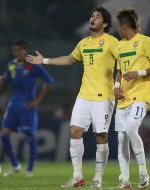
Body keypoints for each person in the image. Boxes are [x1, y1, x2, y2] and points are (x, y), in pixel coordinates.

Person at [26, 7, 118, 188]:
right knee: (75, 131)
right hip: (84, 95)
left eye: (97, 17)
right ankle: (77, 176)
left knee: (101, 136)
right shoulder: (83, 43)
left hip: (104, 96)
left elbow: (123, 63)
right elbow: (69, 60)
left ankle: (97, 179)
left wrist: (118, 85)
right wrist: (44, 61)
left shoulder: (112, 42)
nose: (92, 19)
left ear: (105, 23)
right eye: (92, 16)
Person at [113, 8, 150, 189]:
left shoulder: (145, 41)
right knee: (121, 138)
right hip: (123, 98)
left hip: (141, 95)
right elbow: (119, 72)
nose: (117, 29)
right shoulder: (119, 46)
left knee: (131, 127)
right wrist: (116, 88)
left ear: (124, 26)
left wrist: (139, 73)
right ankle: (125, 178)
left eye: (118, 26)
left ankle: (143, 172)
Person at [0, 39, 54, 177]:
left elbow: (48, 83)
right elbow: (4, 86)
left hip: (27, 107)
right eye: (14, 50)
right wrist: (1, 82)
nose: (16, 53)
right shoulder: (11, 65)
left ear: (25, 50)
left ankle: (29, 169)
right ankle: (15, 165)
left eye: (19, 50)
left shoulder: (33, 65)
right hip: (12, 105)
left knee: (30, 136)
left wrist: (37, 100)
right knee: (4, 134)